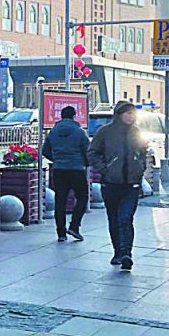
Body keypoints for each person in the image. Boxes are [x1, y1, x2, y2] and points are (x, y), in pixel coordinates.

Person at [88, 101, 147, 270]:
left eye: (132, 113)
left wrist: (140, 168)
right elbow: (92, 153)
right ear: (119, 115)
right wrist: (104, 170)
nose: (130, 117)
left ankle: (126, 253)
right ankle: (118, 252)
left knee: (126, 218)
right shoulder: (105, 132)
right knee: (114, 218)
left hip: (131, 184)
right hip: (111, 183)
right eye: (127, 113)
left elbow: (142, 153)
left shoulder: (136, 132)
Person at [42, 105, 90, 242]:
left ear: (61, 116)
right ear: (74, 116)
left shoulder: (53, 132)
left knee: (60, 200)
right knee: (82, 197)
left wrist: (57, 159)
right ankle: (74, 225)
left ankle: (61, 233)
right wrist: (85, 163)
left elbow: (45, 150)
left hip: (59, 170)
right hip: (76, 169)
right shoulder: (80, 132)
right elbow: (87, 151)